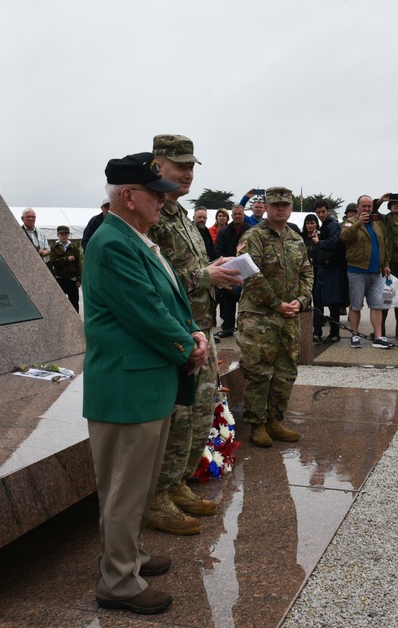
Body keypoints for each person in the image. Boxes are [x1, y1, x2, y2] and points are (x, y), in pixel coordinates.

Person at [82, 151, 206, 615]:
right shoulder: (113, 242)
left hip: (145, 385)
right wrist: (188, 345)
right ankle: (117, 581)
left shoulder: (133, 236)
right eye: (156, 195)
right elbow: (144, 312)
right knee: (123, 489)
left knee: (137, 486)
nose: (163, 202)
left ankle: (129, 556)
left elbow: (163, 301)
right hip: (125, 388)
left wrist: (190, 330)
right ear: (128, 196)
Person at [146, 134, 243, 536]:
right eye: (179, 165)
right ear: (157, 165)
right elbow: (155, 279)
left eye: (191, 167)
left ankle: (176, 485)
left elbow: (188, 267)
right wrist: (206, 275)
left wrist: (213, 267)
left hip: (198, 330)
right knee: (176, 419)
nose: (187, 173)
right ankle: (156, 500)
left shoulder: (180, 214)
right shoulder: (153, 213)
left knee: (199, 416)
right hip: (173, 335)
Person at [237, 187, 314, 446]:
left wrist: (300, 301)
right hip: (259, 316)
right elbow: (249, 273)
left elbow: (307, 272)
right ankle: (257, 424)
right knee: (258, 371)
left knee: (285, 370)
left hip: (289, 316)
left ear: (291, 208)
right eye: (275, 204)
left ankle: (274, 420)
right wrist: (277, 303)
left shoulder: (295, 238)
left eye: (285, 205)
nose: (281, 209)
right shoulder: (254, 236)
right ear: (266, 207)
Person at [340, 194, 391, 348]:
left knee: (376, 305)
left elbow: (385, 245)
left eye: (369, 206)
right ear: (357, 208)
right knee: (356, 305)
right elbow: (344, 237)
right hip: (357, 271)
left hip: (376, 272)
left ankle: (378, 336)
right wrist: (358, 224)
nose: (367, 209)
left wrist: (386, 264)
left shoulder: (378, 224)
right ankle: (354, 335)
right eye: (364, 206)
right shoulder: (350, 222)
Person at [312, 201, 347, 342]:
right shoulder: (324, 226)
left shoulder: (333, 225)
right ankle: (318, 332)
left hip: (332, 269)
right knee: (318, 301)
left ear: (328, 211)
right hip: (322, 269)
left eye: (323, 211)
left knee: (333, 303)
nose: (321, 214)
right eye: (318, 212)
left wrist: (318, 242)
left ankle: (334, 333)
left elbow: (335, 242)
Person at [213, 205, 250, 338]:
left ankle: (246, 329)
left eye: (239, 214)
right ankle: (227, 328)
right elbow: (218, 251)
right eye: (235, 214)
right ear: (232, 215)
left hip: (246, 273)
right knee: (227, 302)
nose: (237, 216)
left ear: (243, 215)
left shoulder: (250, 231)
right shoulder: (223, 232)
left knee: (246, 304)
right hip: (228, 271)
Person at [378, 194, 398, 339]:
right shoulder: (384, 219)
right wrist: (381, 201)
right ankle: (380, 330)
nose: (395, 205)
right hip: (387, 263)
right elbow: (372, 213)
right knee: (385, 297)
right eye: (393, 203)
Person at [48, 225, 82, 312]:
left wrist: (78, 278)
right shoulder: (54, 247)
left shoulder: (74, 247)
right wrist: (67, 259)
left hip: (72, 279)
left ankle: (75, 321)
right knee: (59, 303)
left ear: (68, 235)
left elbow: (78, 264)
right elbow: (53, 261)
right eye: (62, 234)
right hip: (60, 278)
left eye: (66, 234)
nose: (64, 236)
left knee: (74, 302)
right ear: (58, 235)